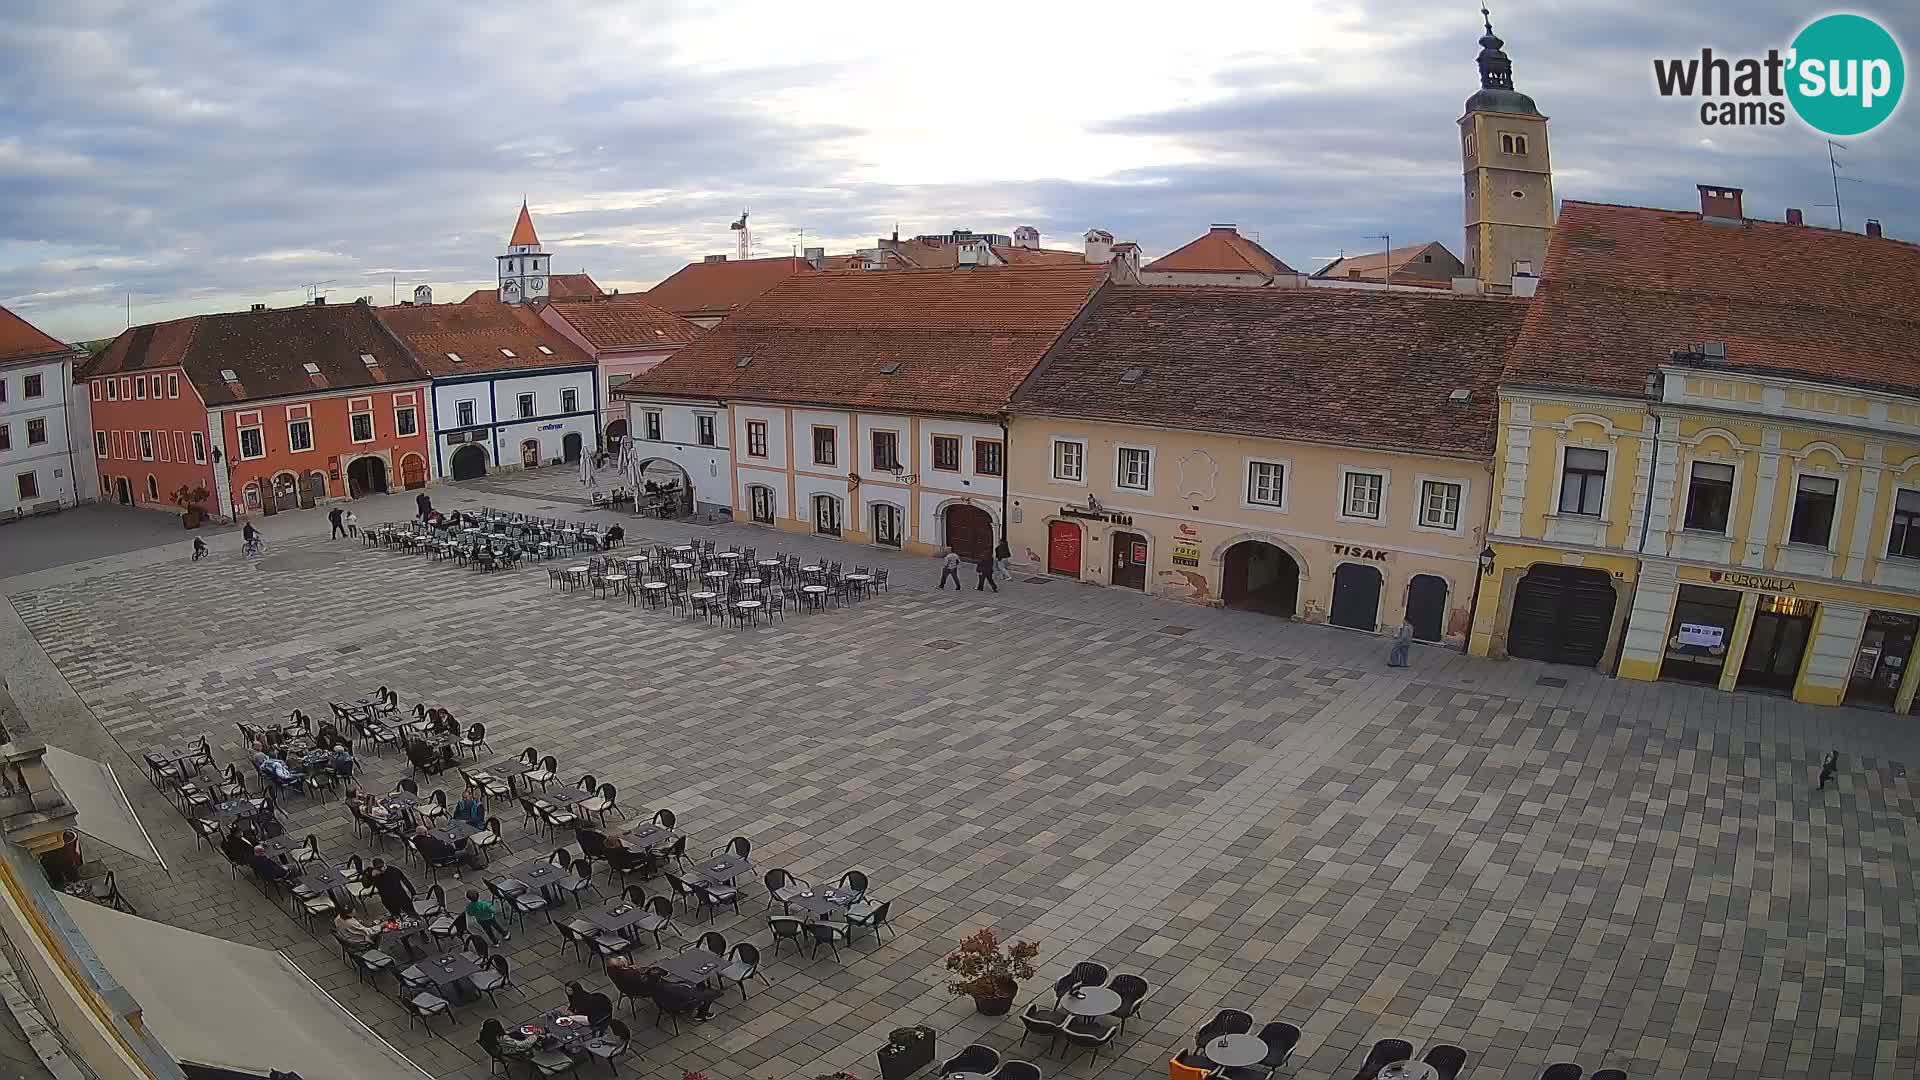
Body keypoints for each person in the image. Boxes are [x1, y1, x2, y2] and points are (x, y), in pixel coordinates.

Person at [413, 824, 481, 874]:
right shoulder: (430, 842)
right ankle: (475, 866)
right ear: (425, 833)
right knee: (465, 853)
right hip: (441, 858)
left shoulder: (416, 840)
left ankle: (472, 858)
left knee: (456, 845)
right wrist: (451, 847)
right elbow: (445, 849)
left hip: (431, 856)